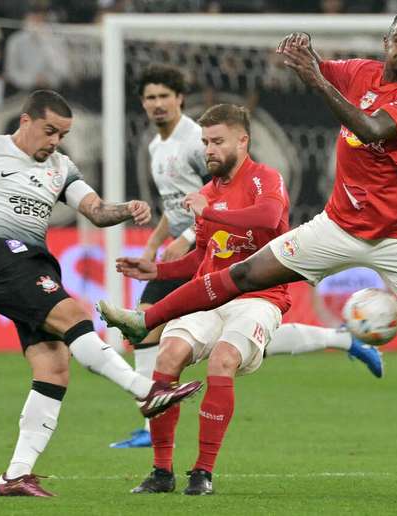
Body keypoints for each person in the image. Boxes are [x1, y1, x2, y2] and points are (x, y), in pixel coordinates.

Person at [98, 10, 397, 460]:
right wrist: (303, 52)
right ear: (387, 41)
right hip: (338, 224)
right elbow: (314, 65)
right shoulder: (361, 72)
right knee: (243, 273)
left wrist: (315, 77)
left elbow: (370, 128)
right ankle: (146, 319)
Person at [0, 90, 202, 498]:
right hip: (2, 260)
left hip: (35, 263)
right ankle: (146, 390)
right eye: (49, 131)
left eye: (62, 134)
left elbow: (97, 211)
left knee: (53, 367)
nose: (54, 141)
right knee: (76, 317)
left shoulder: (60, 166)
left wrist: (128, 209)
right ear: (25, 121)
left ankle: (15, 476)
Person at [119, 103, 292, 495]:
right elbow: (203, 255)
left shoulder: (265, 179)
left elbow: (266, 219)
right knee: (167, 354)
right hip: (210, 295)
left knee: (222, 359)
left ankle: (203, 472)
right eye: (204, 142)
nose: (208, 150)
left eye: (217, 141)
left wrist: (210, 211)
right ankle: (162, 472)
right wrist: (157, 271)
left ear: (242, 141)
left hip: (259, 296)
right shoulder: (207, 194)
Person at [109, 64, 210, 449]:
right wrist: (153, 243)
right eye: (150, 98)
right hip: (184, 247)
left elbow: (218, 191)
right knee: (144, 326)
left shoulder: (196, 140)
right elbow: (175, 205)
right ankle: (152, 425)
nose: (157, 104)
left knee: (238, 335)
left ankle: (341, 340)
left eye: (164, 96)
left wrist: (186, 237)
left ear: (180, 98)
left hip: (208, 246)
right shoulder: (156, 146)